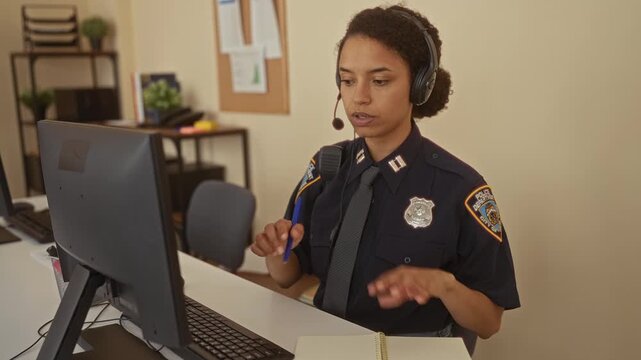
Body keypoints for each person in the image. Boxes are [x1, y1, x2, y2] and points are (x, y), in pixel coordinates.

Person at [251, 4, 520, 344]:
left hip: (408, 349)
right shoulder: (326, 167)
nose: (358, 97)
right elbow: (287, 276)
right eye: (347, 80)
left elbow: (488, 322)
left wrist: (443, 284)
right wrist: (278, 251)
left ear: (420, 86)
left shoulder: (462, 190)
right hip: (323, 342)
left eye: (379, 81)